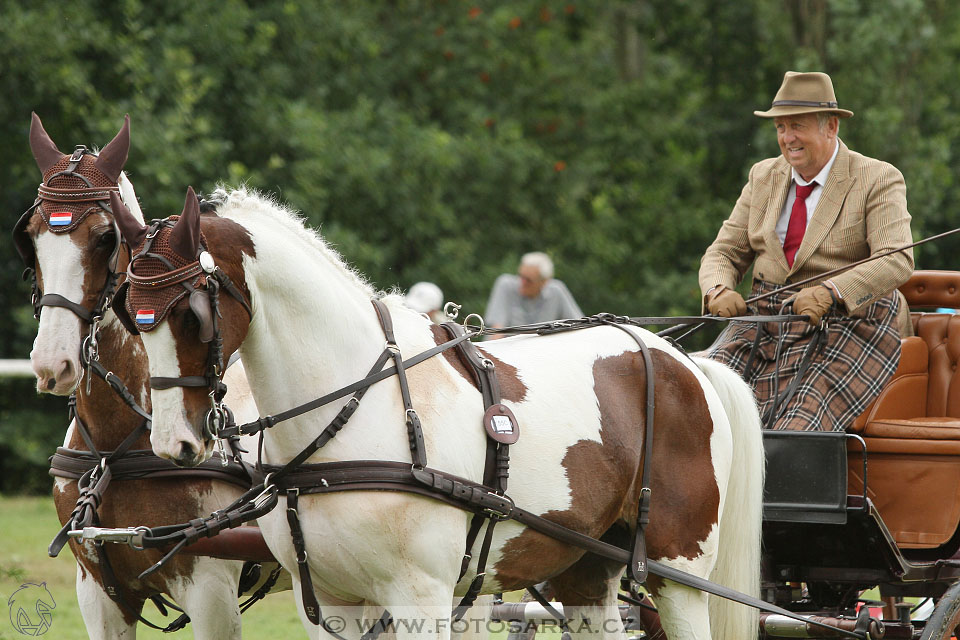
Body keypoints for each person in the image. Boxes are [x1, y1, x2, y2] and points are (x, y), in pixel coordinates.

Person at [699, 71, 914, 432]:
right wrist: (717, 289)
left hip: (850, 319)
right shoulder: (762, 176)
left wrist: (832, 291)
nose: (787, 138)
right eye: (780, 128)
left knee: (798, 420)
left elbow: (896, 259)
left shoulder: (877, 178)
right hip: (767, 315)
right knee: (704, 398)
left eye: (796, 126)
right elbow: (723, 253)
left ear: (831, 127)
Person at [484, 252, 583, 329]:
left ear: (544, 282)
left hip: (544, 352)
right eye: (521, 276)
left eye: (528, 280)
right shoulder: (505, 285)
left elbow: (579, 325)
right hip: (506, 351)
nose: (522, 282)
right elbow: (496, 328)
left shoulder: (556, 291)